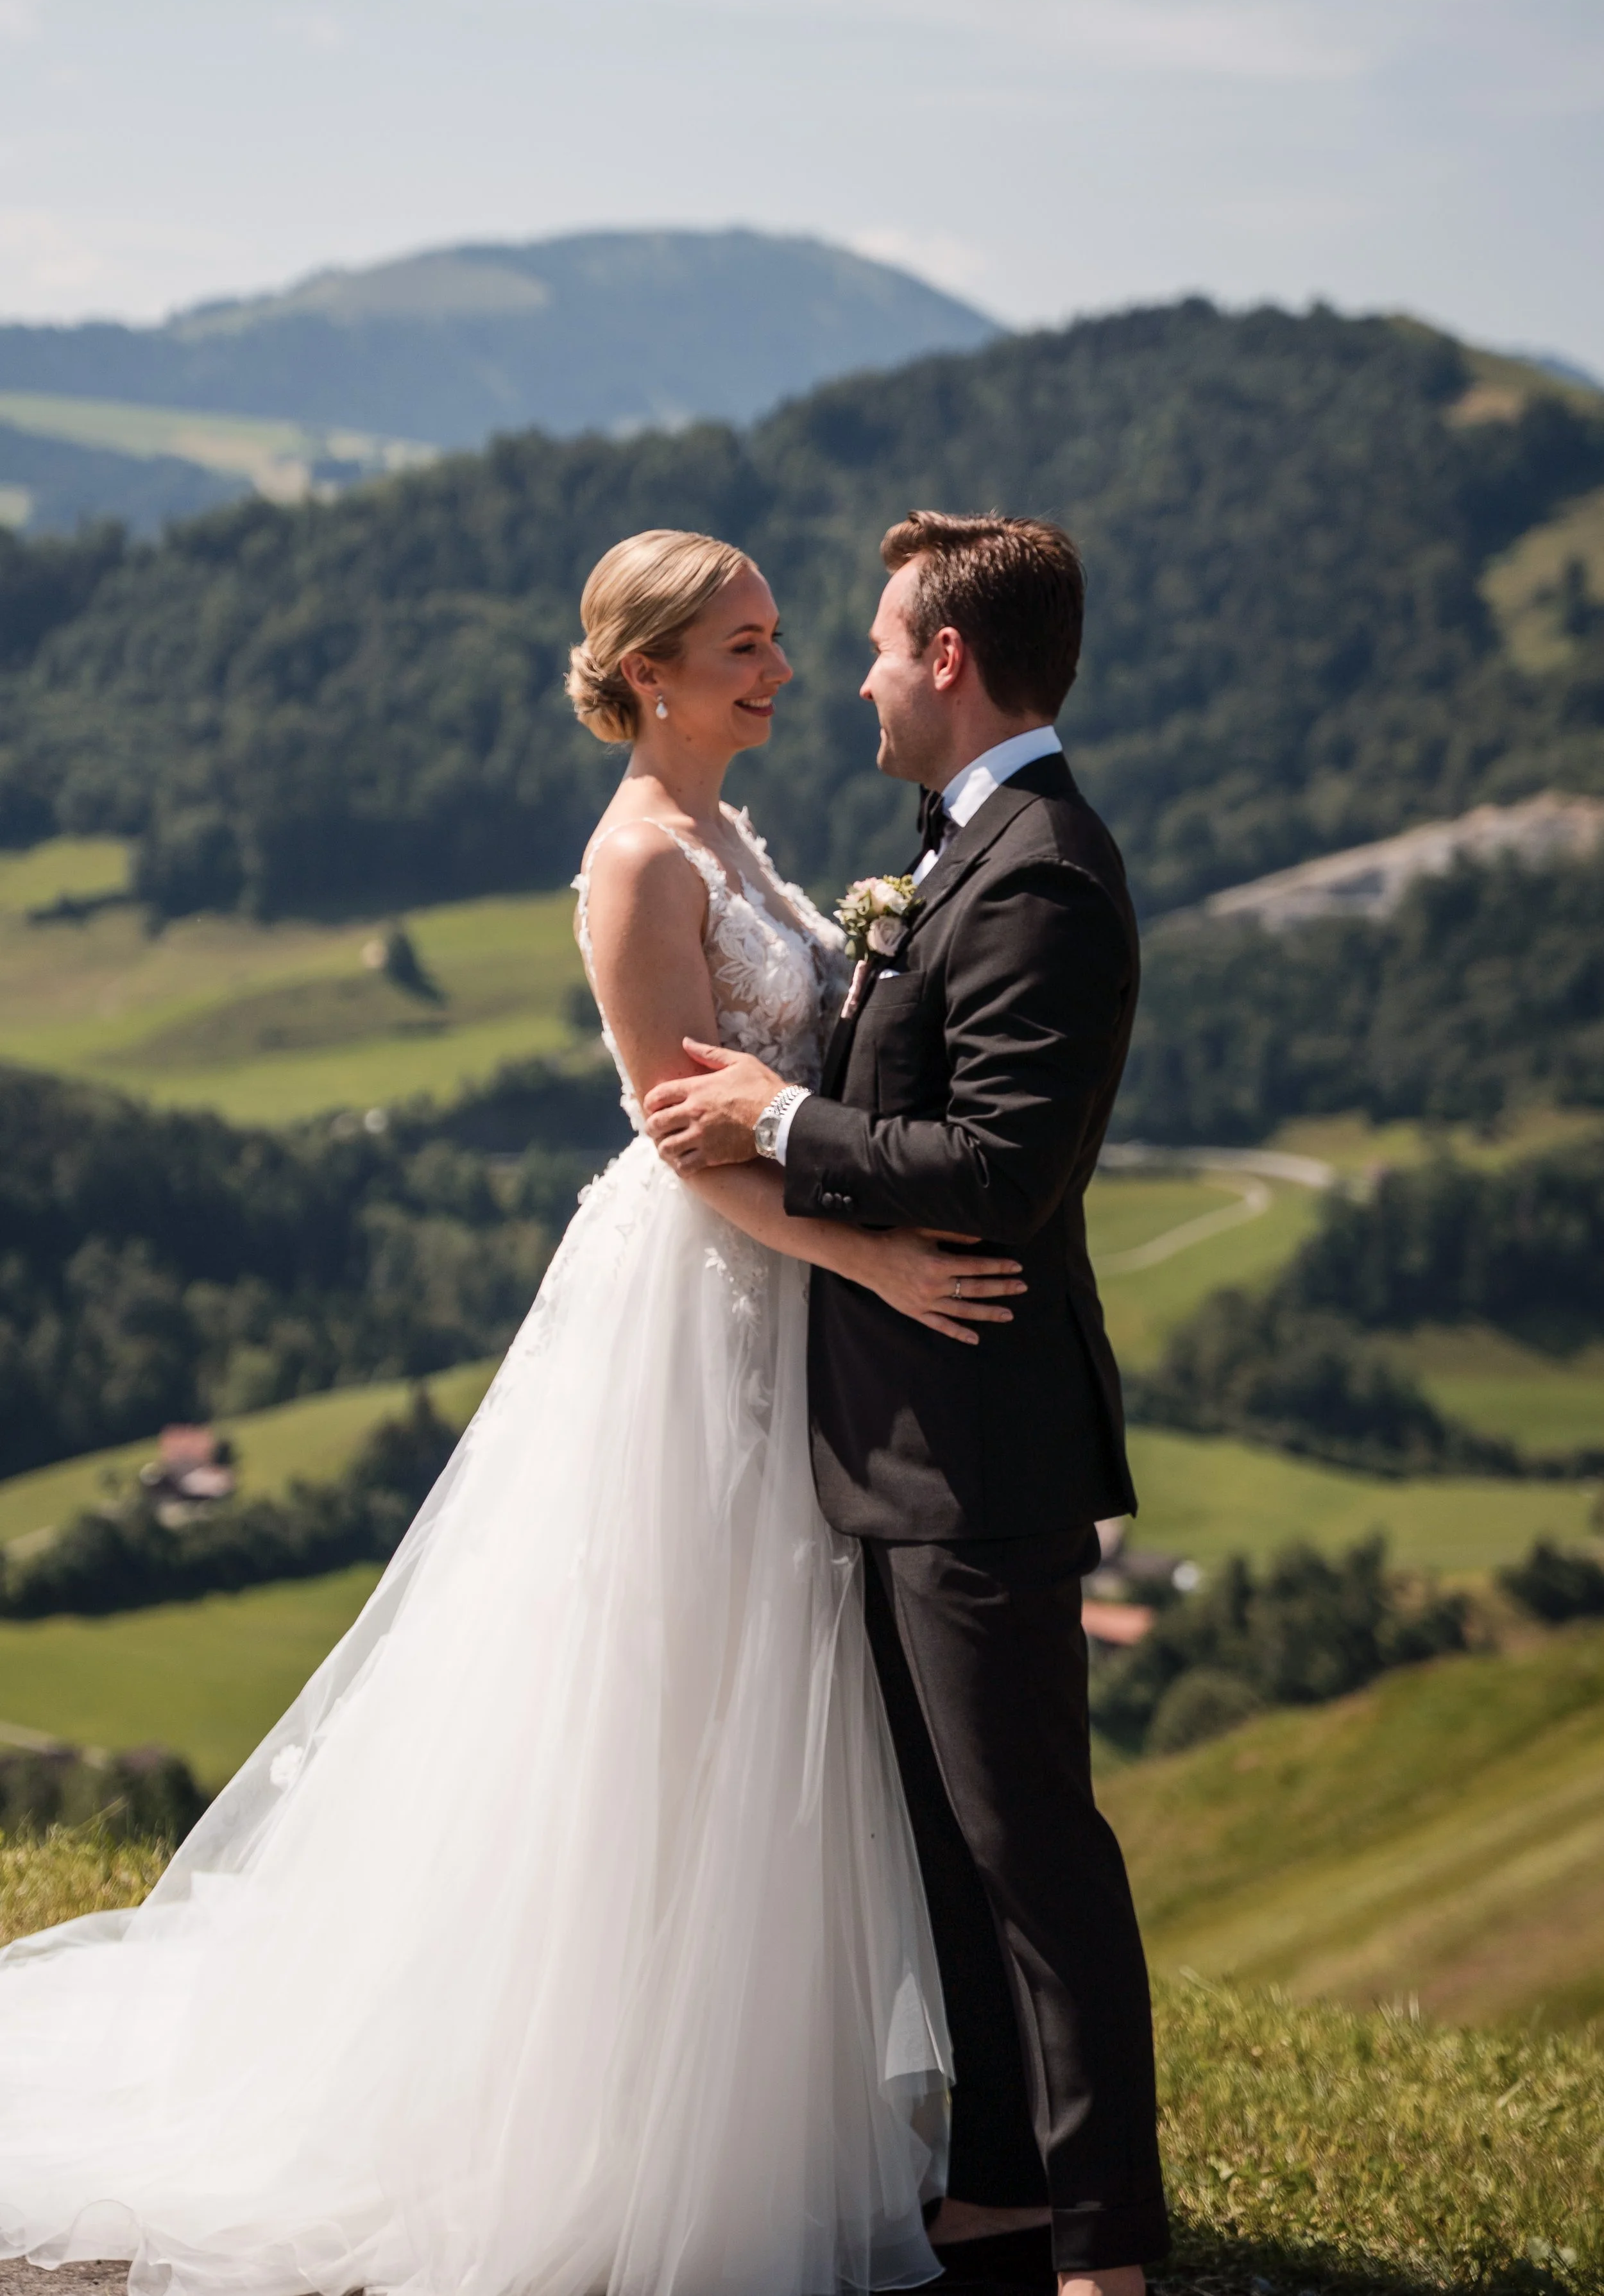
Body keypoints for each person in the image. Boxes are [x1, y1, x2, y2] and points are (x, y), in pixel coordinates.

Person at [0, 529, 1029, 2296]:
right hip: (707, 1306)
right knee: (668, 1695)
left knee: (766, 1698)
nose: (777, 671)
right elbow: (684, 1143)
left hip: (783, 1301)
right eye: (741, 646)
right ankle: (608, 2123)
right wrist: (874, 1262)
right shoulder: (635, 862)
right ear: (647, 674)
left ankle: (755, 2104)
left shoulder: (727, 833)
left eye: (780, 639)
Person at [645, 512, 1171, 2296]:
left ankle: (1104, 2238)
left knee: (1032, 1844)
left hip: (979, 1440)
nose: (853, 677)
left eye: (875, 644)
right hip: (901, 1438)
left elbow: (1002, 1168)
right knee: (956, 1842)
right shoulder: (961, 849)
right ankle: (1008, 2182)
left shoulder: (1038, 873)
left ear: (948, 658)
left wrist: (780, 1121)